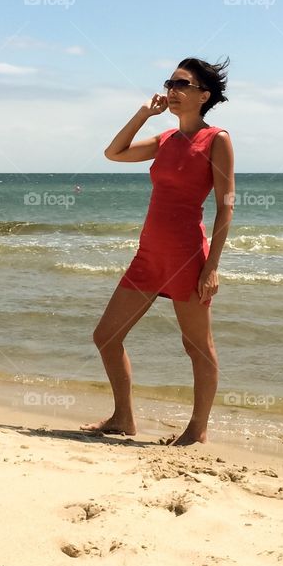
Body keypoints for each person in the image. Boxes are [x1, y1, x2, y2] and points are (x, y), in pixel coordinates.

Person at [81, 57, 234, 446]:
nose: (172, 90)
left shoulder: (216, 139)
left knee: (197, 346)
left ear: (204, 95)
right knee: (106, 335)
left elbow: (226, 204)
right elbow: (113, 153)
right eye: (170, 82)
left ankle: (197, 429)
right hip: (148, 255)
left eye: (182, 84)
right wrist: (143, 114)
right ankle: (123, 417)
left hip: (186, 256)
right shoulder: (165, 140)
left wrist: (211, 267)